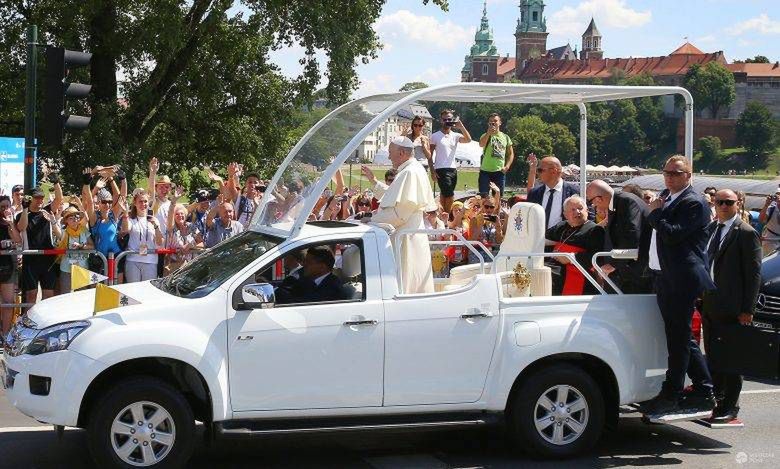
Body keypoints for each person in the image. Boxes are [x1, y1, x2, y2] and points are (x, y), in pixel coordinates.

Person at [642, 155, 716, 418]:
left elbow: (672, 233)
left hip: (682, 278)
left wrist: (656, 214)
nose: (670, 177)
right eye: (666, 172)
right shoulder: (668, 197)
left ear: (689, 175)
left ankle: (672, 393)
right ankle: (704, 388)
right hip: (665, 276)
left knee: (678, 339)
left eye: (676, 173)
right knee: (681, 336)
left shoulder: (693, 202)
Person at [701, 189, 762, 424]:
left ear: (738, 204)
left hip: (734, 307)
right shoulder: (713, 229)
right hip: (711, 302)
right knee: (715, 357)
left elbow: (753, 274)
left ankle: (730, 406)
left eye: (728, 202)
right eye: (719, 202)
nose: (723, 206)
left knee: (733, 358)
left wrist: (748, 309)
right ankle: (717, 400)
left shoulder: (746, 233)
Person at [365, 136, 438, 294]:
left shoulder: (409, 172)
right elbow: (394, 197)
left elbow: (399, 214)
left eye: (391, 152)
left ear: (402, 152)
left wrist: (371, 221)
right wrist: (374, 182)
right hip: (409, 234)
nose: (389, 156)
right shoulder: (410, 169)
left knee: (406, 284)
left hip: (406, 238)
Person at [586, 179, 651, 293]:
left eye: (591, 201)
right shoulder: (617, 202)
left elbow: (632, 234)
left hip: (637, 271)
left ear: (599, 198)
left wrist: (613, 264)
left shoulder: (626, 201)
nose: (593, 205)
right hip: (626, 269)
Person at [545, 196, 605, 296]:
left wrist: (570, 258)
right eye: (572, 209)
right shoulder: (562, 226)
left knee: (548, 276)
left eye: (580, 208)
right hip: (555, 265)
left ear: (587, 210)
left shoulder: (595, 230)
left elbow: (596, 257)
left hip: (577, 271)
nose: (577, 212)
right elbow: (545, 239)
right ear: (565, 214)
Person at [15, 187, 59, 305]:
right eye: (37, 198)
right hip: (30, 259)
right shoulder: (21, 214)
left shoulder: (47, 211)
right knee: (31, 295)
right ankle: (28, 323)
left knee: (48, 296)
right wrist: (25, 208)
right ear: (30, 199)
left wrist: (56, 183)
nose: (40, 200)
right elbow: (21, 227)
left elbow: (58, 199)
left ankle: (45, 323)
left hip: (48, 259)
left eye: (42, 198)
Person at [428, 109, 471, 213]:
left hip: (453, 169)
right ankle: (448, 215)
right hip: (441, 169)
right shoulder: (435, 136)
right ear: (441, 120)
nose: (447, 121)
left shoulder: (455, 136)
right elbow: (430, 155)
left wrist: (461, 127)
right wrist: (432, 171)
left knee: (444, 194)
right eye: (445, 119)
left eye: (449, 119)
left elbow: (468, 139)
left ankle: (442, 215)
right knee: (450, 194)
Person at [276, 246, 349, 304]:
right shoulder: (309, 279)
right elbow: (291, 289)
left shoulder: (333, 287)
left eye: (308, 262)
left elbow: (303, 302)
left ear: (322, 267)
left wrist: (279, 293)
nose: (303, 264)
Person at [122, 189, 164, 283]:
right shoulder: (131, 219)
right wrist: (125, 214)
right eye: (140, 201)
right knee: (133, 291)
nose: (143, 204)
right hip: (133, 260)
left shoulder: (154, 220)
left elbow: (160, 242)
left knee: (147, 292)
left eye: (145, 201)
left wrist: (156, 226)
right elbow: (125, 230)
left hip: (150, 261)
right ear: (135, 203)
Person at [527, 155, 580, 229]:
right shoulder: (534, 193)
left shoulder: (575, 192)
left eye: (540, 170)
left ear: (553, 171)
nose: (537, 173)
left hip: (563, 239)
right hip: (537, 238)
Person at [57, 205, 93, 294]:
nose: (74, 220)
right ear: (66, 221)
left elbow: (92, 246)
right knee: (65, 296)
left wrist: (81, 246)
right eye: (71, 218)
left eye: (76, 217)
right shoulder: (63, 232)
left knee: (81, 296)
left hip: (82, 268)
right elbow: (58, 240)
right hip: (66, 269)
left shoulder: (84, 230)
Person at [164, 186, 200, 275]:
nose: (180, 215)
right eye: (177, 214)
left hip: (191, 266)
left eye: (182, 213)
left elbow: (201, 243)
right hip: (174, 267)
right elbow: (170, 215)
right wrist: (173, 201)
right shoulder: (172, 228)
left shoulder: (191, 227)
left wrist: (190, 246)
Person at [0, 196, 22, 336]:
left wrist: (11, 224)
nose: (5, 209)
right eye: (2, 207)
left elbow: (18, 240)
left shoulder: (11, 223)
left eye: (7, 206)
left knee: (8, 303)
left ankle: (5, 333)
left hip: (8, 267)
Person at [478, 113, 514, 197]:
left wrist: (507, 166)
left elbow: (511, 153)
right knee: (483, 197)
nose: (493, 123)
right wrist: (488, 133)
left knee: (498, 198)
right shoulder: (485, 135)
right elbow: (481, 144)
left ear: (500, 123)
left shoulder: (505, 137)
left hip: (499, 172)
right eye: (491, 121)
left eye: (495, 121)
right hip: (485, 171)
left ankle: (496, 210)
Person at [758, 188, 780, 255]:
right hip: (769, 242)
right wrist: (766, 205)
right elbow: (761, 220)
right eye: (777, 194)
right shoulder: (771, 208)